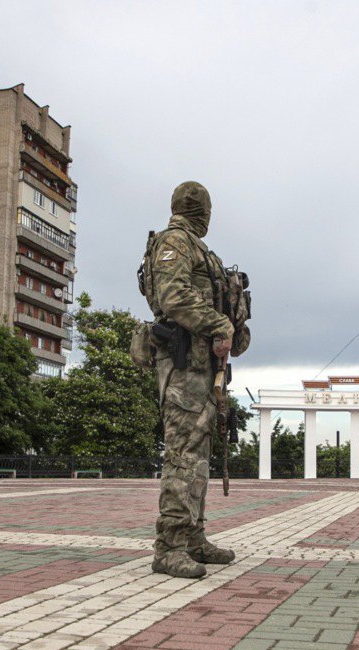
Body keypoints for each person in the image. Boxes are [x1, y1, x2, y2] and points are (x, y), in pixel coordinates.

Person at [140, 181, 250, 579]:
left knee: (197, 458)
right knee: (183, 456)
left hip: (203, 369)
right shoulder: (176, 242)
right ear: (202, 210)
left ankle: (192, 538)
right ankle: (169, 547)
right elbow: (172, 296)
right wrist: (219, 322)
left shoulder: (201, 249)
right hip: (184, 366)